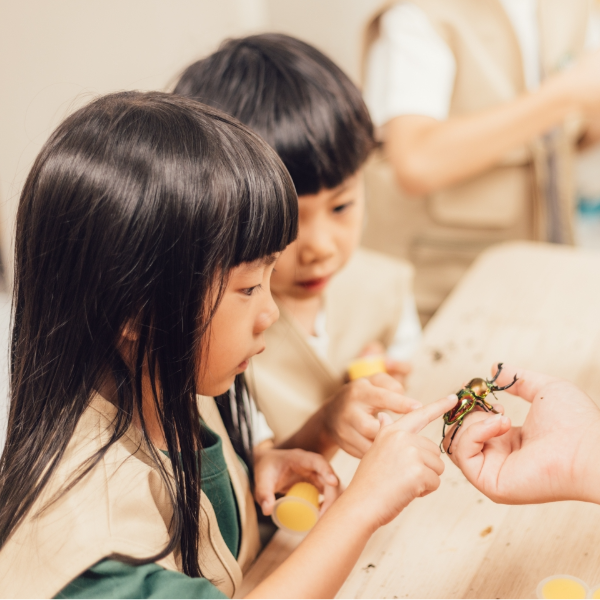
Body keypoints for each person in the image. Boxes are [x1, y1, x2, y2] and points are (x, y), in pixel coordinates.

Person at [0, 91, 456, 599]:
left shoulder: (172, 399)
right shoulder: (85, 543)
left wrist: (320, 432)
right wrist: (363, 504)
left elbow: (222, 556)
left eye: (269, 278)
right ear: (133, 310)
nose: (270, 313)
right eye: (246, 288)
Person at [173, 34, 423, 459]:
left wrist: (389, 381)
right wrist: (326, 425)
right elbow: (251, 480)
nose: (320, 248)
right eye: (287, 224)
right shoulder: (217, 339)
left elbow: (407, 366)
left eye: (341, 206)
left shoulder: (384, 286)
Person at [362, 0, 600, 322]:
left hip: (540, 280)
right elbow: (417, 162)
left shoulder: (572, 9)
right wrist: (564, 94)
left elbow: (576, 134)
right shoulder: (421, 15)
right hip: (442, 294)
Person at [442, 363, 600, 506]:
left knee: (469, 420)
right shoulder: (473, 399)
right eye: (489, 386)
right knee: (463, 422)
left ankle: (448, 439)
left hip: (456, 413)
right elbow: (486, 404)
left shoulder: (473, 395)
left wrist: (580, 453)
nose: (491, 386)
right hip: (453, 415)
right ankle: (448, 439)